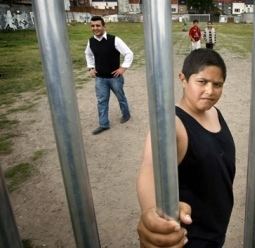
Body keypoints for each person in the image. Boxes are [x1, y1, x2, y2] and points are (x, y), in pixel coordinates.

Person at [137, 49, 235, 247]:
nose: (210, 91)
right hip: (188, 238)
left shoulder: (214, 112)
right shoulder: (171, 124)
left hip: (215, 229)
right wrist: (151, 214)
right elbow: (149, 169)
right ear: (183, 79)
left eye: (217, 85)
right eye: (202, 82)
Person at [85, 15, 133, 135]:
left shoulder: (114, 39)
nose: (95, 28)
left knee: (121, 98)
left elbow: (129, 53)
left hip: (115, 78)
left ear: (103, 26)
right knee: (102, 101)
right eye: (93, 26)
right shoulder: (91, 41)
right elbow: (88, 55)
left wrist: (123, 67)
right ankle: (103, 124)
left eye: (98, 25)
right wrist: (90, 67)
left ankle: (126, 115)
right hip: (100, 78)